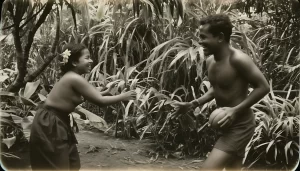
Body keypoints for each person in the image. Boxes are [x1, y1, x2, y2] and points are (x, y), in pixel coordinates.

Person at [173, 14, 270, 170]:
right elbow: (216, 87)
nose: (200, 41)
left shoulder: (238, 59)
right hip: (225, 124)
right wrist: (193, 104)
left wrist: (235, 111)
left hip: (241, 126)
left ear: (220, 37)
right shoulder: (210, 61)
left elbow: (263, 87)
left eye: (204, 37)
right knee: (233, 168)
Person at [29, 43, 136, 170]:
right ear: (74, 62)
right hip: (50, 122)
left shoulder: (72, 77)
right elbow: (100, 101)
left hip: (55, 120)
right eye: (87, 57)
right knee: (59, 164)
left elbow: (87, 96)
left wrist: (105, 92)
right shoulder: (74, 78)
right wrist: (124, 96)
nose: (91, 60)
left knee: (73, 164)